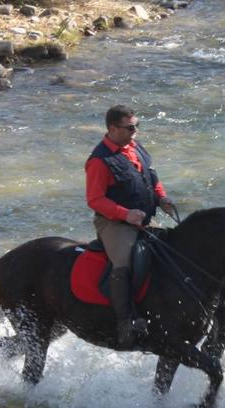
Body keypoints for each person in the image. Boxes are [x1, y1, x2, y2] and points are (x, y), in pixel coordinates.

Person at [85, 104, 176, 348]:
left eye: (137, 126)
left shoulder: (136, 148)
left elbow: (152, 180)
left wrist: (162, 198)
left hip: (144, 219)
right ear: (113, 129)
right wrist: (125, 214)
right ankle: (125, 321)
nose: (135, 131)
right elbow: (95, 200)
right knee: (124, 261)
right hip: (114, 224)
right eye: (130, 127)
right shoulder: (99, 161)